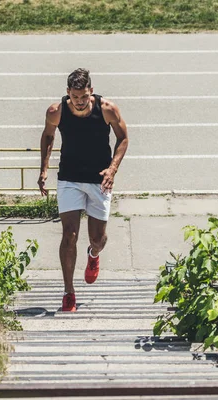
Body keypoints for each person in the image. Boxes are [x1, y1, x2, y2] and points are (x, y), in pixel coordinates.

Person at [38, 68, 129, 312]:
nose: (79, 102)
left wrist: (112, 170)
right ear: (68, 93)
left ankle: (94, 254)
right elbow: (48, 137)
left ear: (91, 91)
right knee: (69, 235)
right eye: (75, 97)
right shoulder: (56, 112)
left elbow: (123, 139)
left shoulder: (107, 109)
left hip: (99, 179)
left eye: (84, 97)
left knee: (97, 238)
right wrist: (44, 169)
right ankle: (69, 293)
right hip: (69, 177)